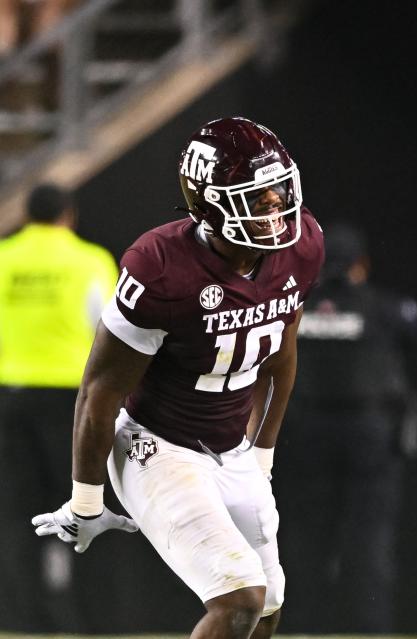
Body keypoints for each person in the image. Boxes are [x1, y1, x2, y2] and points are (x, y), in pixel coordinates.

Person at [30, 116, 325, 638]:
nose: (277, 207)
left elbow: (281, 351)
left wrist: (261, 457)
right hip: (157, 445)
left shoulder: (301, 248)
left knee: (268, 607)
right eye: (258, 198)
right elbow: (100, 390)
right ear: (212, 203)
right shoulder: (160, 266)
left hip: (232, 448)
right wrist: (86, 499)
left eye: (279, 191)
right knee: (239, 599)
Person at [275, 221, 417, 633]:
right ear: (362, 264)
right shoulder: (388, 308)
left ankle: (302, 628)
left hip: (305, 434)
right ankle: (371, 630)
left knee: (304, 539)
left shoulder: (292, 310)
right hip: (370, 435)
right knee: (370, 539)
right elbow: (415, 338)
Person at [0, 183, 117, 632]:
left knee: (17, 515)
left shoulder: (6, 259)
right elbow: (107, 331)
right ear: (68, 215)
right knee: (84, 506)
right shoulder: (89, 261)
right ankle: (88, 620)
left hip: (13, 396)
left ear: (26, 216)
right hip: (73, 403)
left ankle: (22, 620)